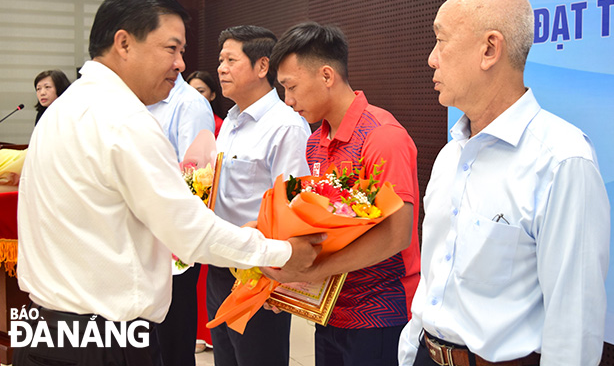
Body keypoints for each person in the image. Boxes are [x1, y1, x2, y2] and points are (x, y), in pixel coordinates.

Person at [15, 0, 323, 366]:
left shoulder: (65, 108)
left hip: (42, 327)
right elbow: (189, 230)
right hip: (105, 337)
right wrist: (283, 254)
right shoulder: (124, 119)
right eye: (171, 48)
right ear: (124, 43)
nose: (181, 64)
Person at [397, 0, 610, 366]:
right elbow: (435, 277)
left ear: (490, 49)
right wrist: (411, 348)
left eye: (441, 42)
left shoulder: (561, 160)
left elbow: (574, 323)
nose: (431, 59)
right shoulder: (450, 156)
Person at [267, 22, 421, 366]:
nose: (288, 101)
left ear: (326, 76)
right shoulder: (314, 143)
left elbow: (398, 235)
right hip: (331, 308)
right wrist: (286, 284)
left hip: (380, 313)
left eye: (291, 87)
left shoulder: (382, 137)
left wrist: (310, 272)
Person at [207, 25, 311, 366]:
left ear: (262, 66)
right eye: (220, 59)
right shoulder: (232, 122)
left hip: (258, 272)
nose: (221, 68)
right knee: (226, 358)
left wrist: (274, 279)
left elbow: (294, 205)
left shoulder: (285, 126)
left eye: (231, 60)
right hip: (221, 264)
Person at [146, 72, 215, 366]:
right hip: (145, 232)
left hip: (173, 236)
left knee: (172, 337)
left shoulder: (189, 104)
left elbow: (196, 179)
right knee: (147, 339)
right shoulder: (143, 100)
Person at [187, 70, 224, 137]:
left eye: (201, 91)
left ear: (212, 95)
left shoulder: (219, 125)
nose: (195, 96)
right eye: (191, 91)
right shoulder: (180, 120)